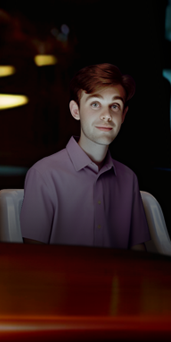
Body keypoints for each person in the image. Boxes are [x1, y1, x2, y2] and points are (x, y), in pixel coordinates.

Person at [20, 63, 150, 250]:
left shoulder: (129, 179)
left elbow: (139, 256)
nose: (106, 115)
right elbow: (33, 258)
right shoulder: (43, 174)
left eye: (114, 106)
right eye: (95, 104)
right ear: (75, 110)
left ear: (123, 115)